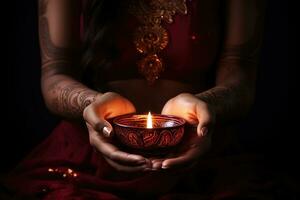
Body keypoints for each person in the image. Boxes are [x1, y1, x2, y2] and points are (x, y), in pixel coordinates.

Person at [2, 0, 267, 199]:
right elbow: (55, 72)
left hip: (202, 157)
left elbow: (240, 73)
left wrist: (208, 106)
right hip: (87, 159)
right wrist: (91, 105)